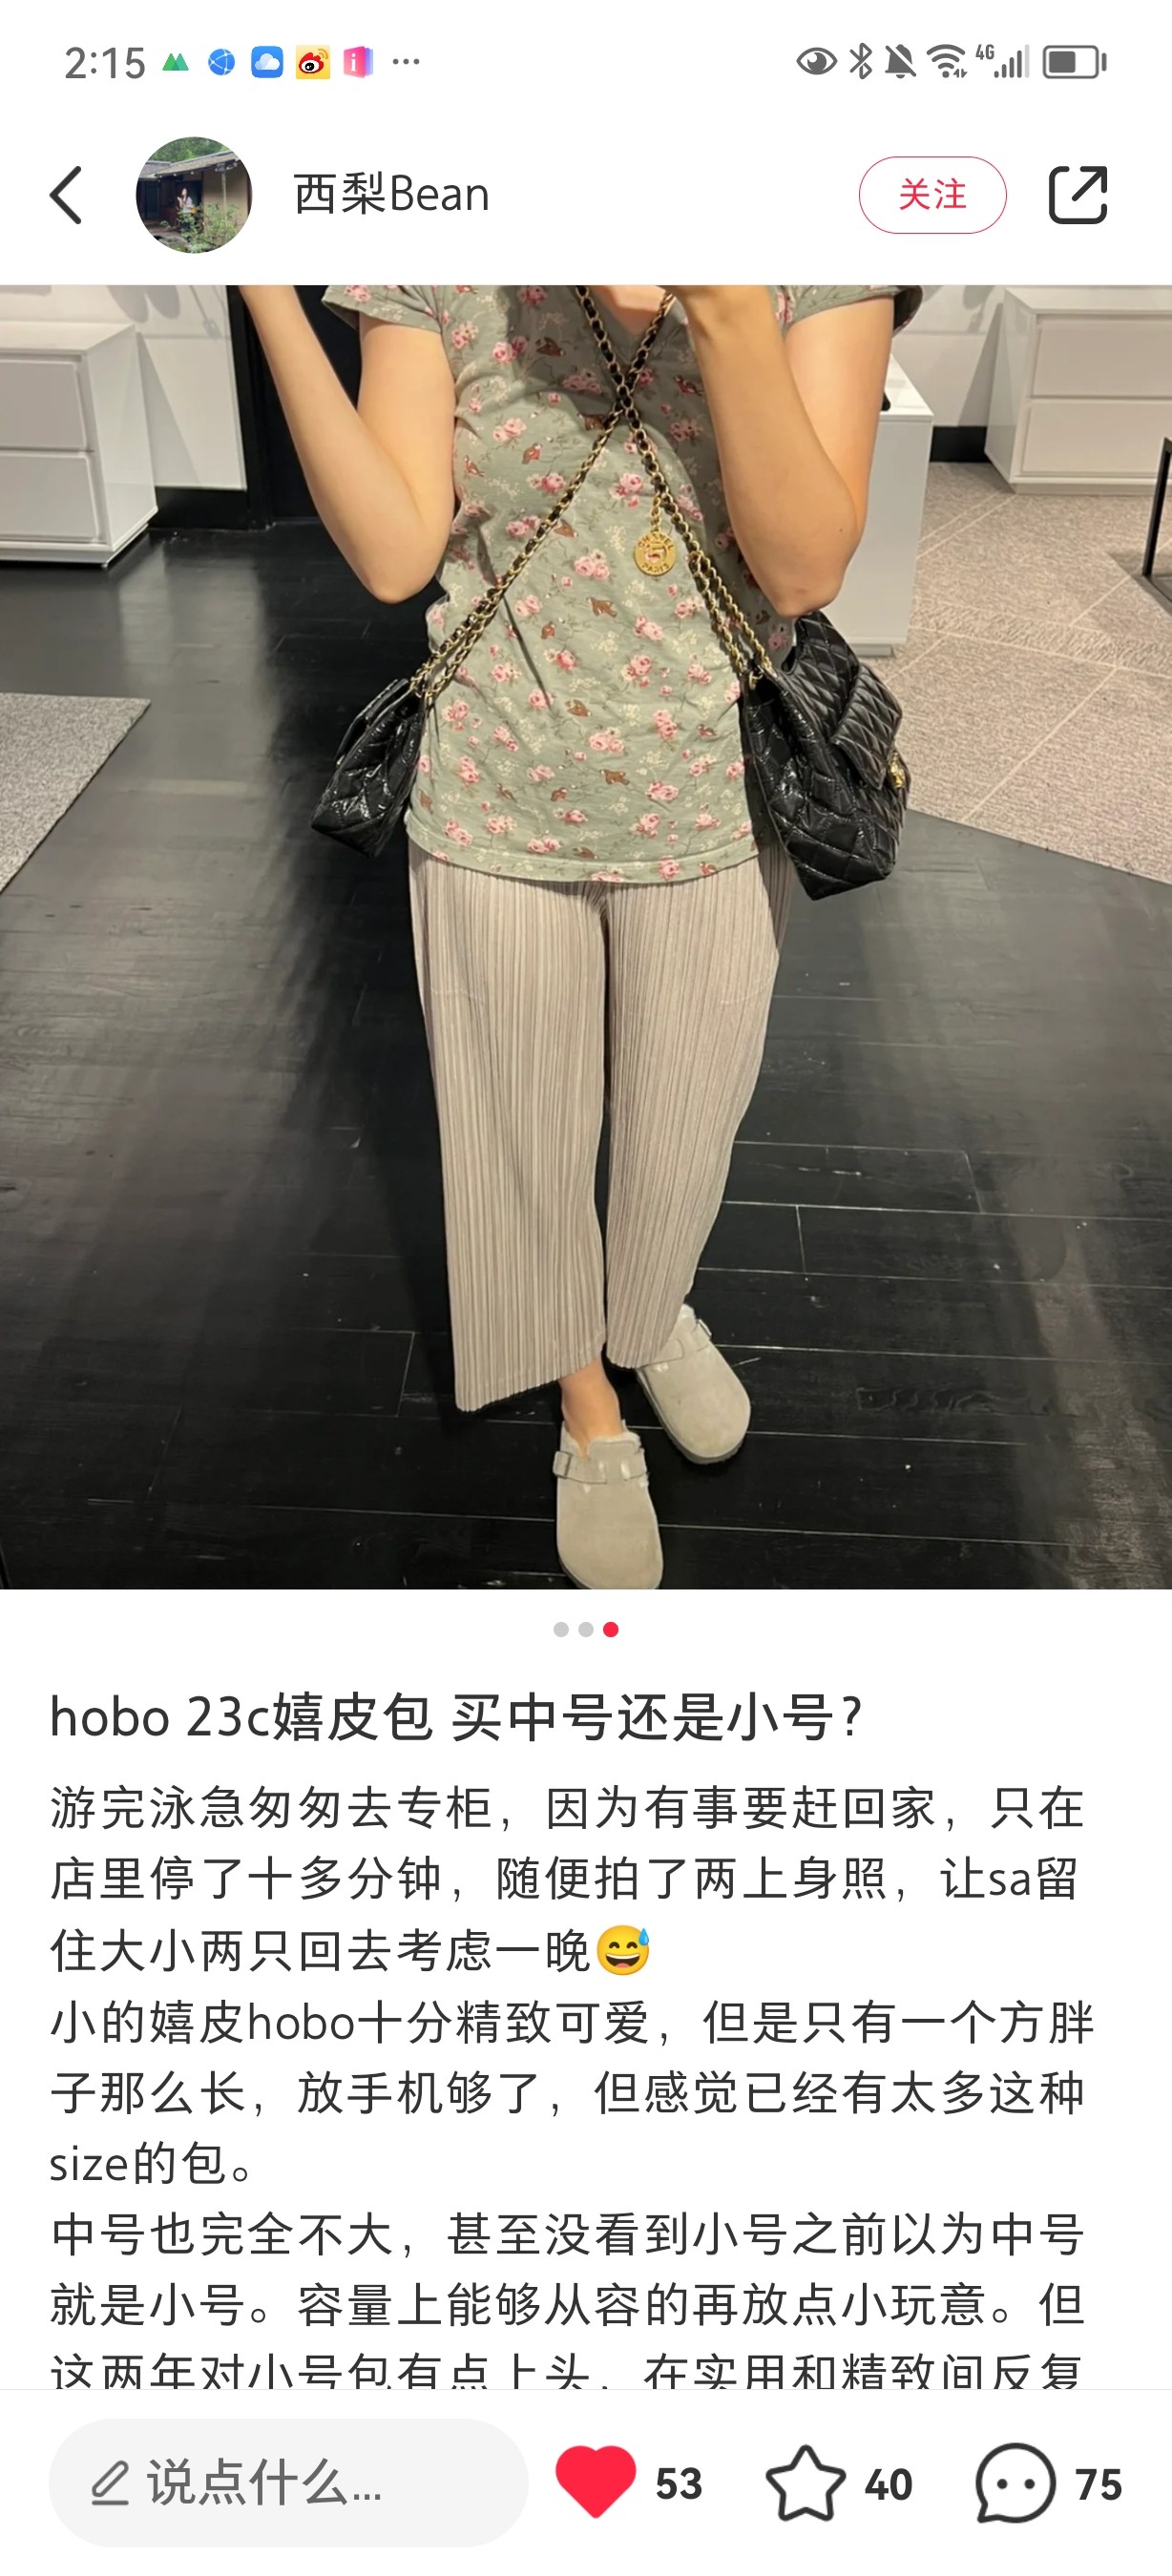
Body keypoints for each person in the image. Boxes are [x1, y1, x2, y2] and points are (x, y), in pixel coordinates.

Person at [240, 281, 921, 1587]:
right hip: (493, 791)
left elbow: (801, 570)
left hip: (716, 799)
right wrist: (261, 280)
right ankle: (588, 1397)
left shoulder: (813, 249)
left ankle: (650, 1312)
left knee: (683, 1134)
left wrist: (725, 305)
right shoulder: (448, 246)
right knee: (523, 1143)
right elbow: (394, 555)